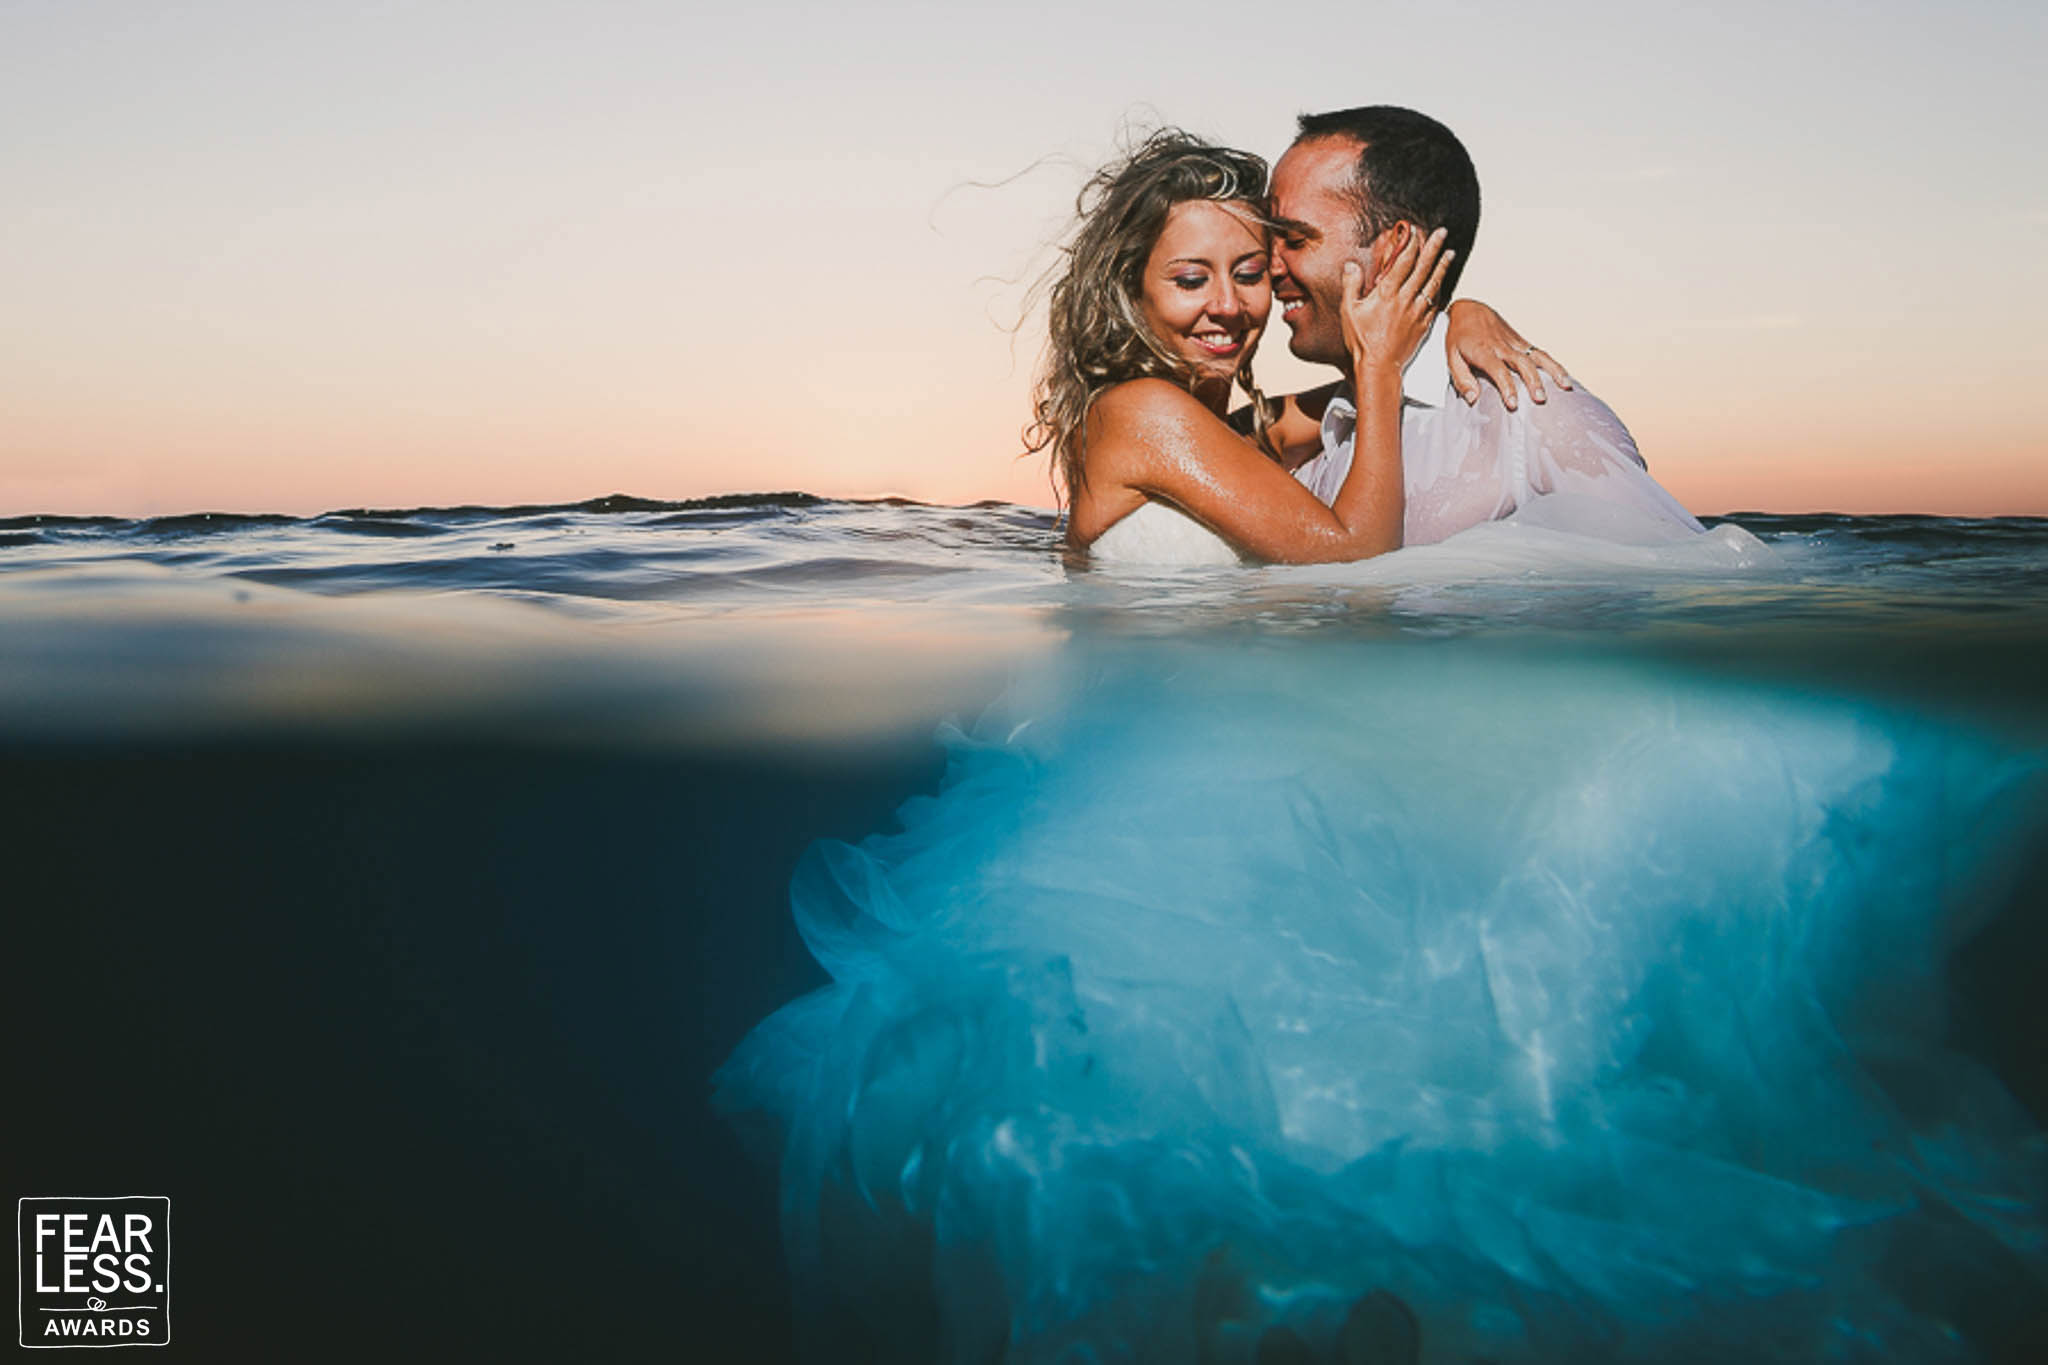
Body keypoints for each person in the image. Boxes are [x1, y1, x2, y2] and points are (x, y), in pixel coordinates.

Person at [1030, 131, 1556, 566]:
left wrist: (1458, 316)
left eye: (1250, 274)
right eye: (1191, 280)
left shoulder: (1241, 434)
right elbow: (1355, 559)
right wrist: (1379, 367)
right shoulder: (1139, 411)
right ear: (1131, 289)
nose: (1229, 305)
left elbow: (1367, 389)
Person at [1263, 105, 1706, 545]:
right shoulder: (1328, 431)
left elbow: (1678, 580)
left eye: (1295, 239)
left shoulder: (1530, 415)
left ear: (1397, 247)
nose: (1268, 263)